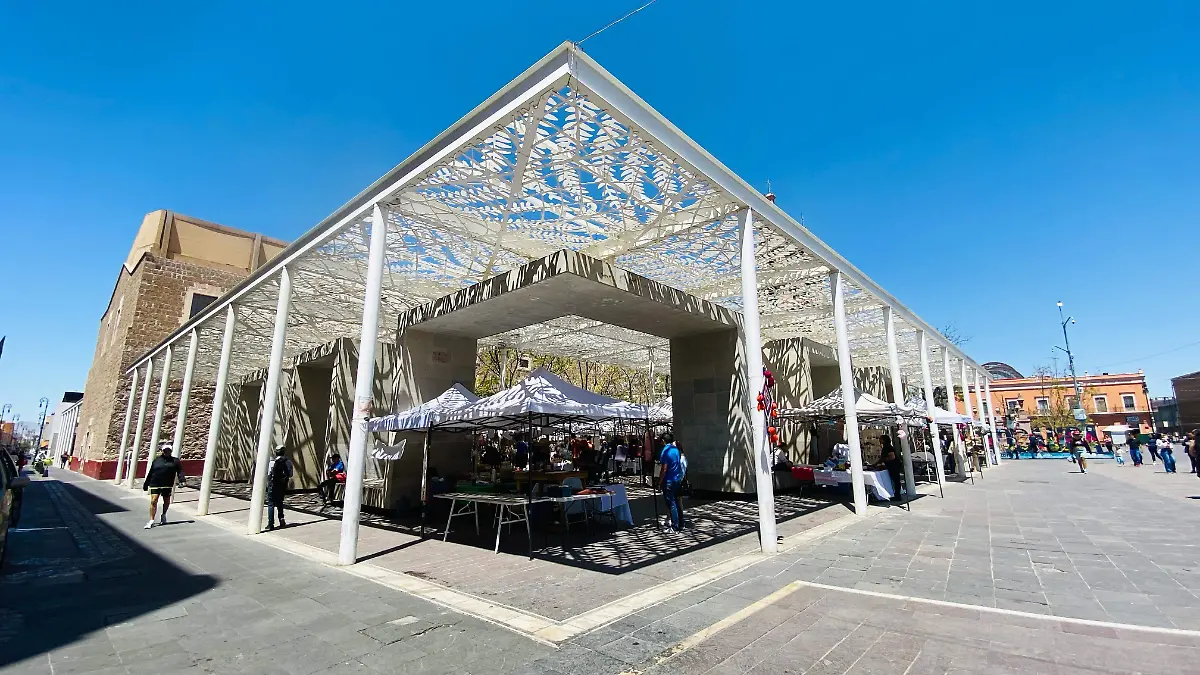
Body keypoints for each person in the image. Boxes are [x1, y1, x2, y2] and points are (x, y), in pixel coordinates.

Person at [143, 443, 185, 529]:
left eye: (169, 450)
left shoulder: (175, 461)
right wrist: (146, 484)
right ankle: (151, 520)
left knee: (166, 501)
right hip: (155, 483)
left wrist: (182, 480)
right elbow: (151, 472)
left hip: (167, 484)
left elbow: (180, 471)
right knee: (153, 501)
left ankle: (164, 515)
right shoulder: (156, 460)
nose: (167, 452)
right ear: (162, 451)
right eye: (165, 450)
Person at [659, 432, 685, 531]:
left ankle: (675, 526)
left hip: (669, 480)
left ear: (663, 441)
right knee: (678, 503)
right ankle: (681, 523)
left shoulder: (665, 451)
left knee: (671, 503)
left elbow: (664, 469)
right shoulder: (676, 450)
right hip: (677, 479)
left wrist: (659, 481)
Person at [266, 446, 293, 530]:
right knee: (280, 503)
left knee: (271, 504)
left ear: (276, 452)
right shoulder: (288, 462)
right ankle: (282, 520)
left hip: (273, 486)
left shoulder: (272, 462)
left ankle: (270, 524)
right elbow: (291, 474)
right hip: (282, 486)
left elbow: (268, 475)